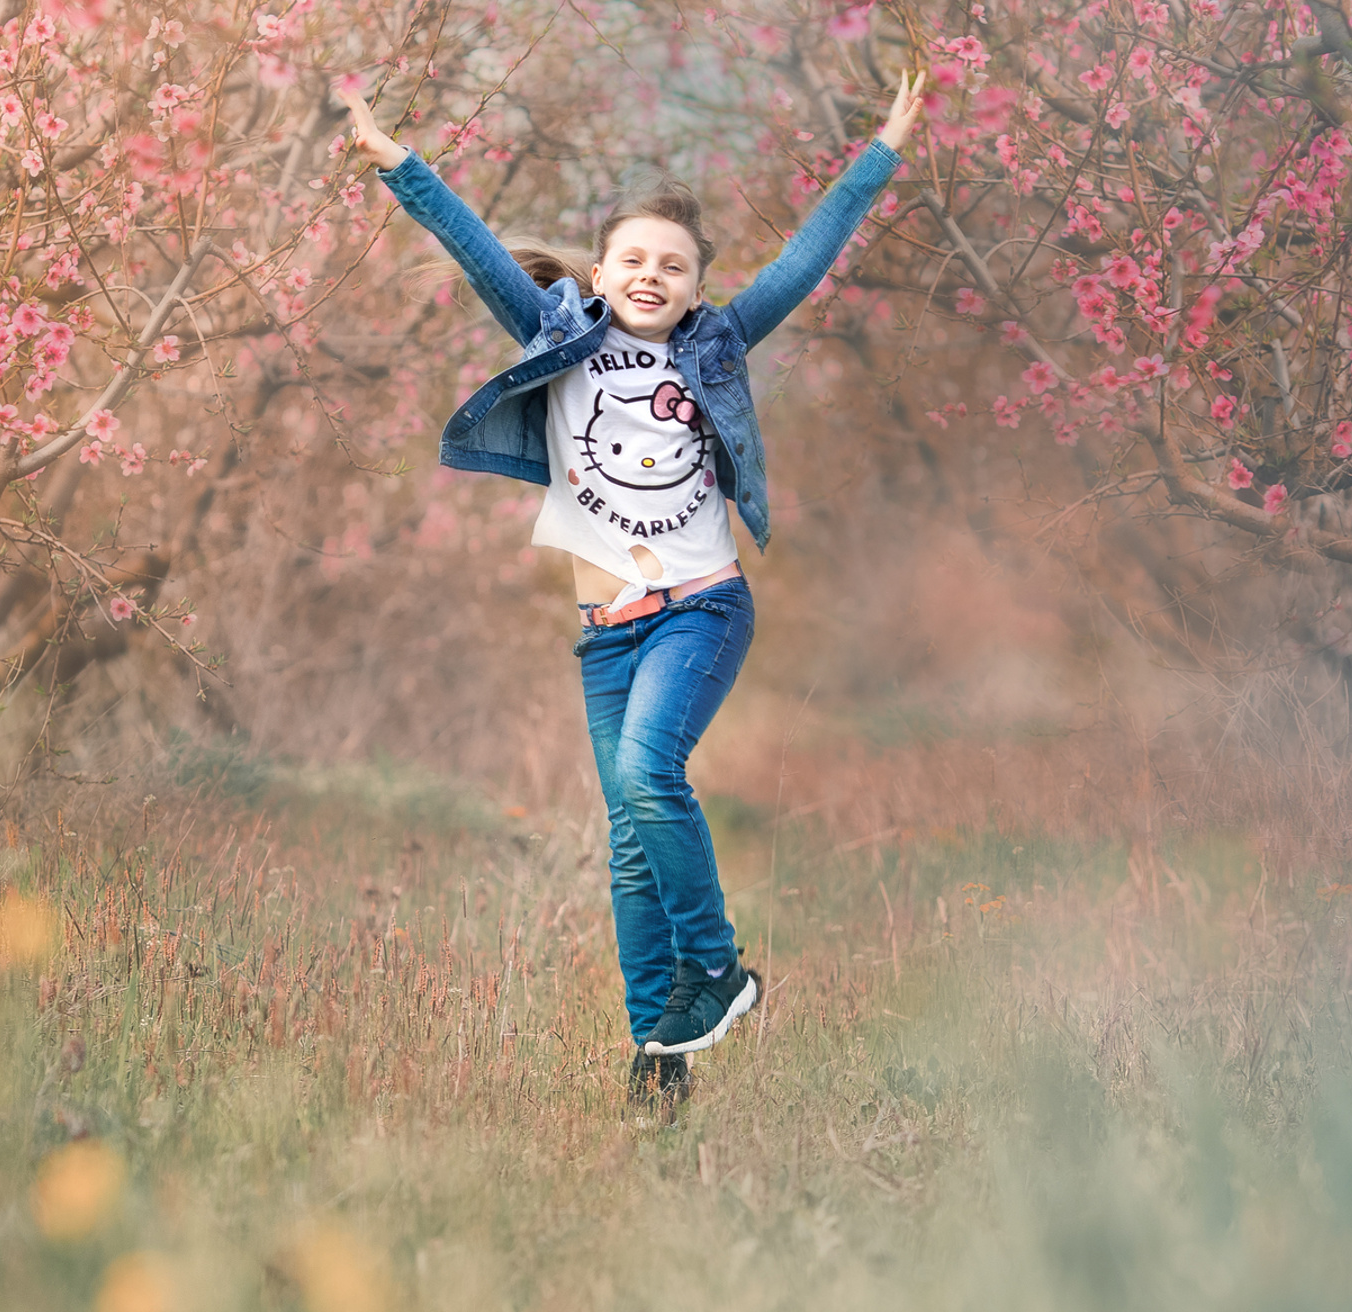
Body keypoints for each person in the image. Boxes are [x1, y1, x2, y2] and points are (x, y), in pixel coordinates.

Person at [340, 73, 928, 1107]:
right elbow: (475, 247)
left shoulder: (719, 346)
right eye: (634, 260)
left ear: (697, 289)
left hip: (703, 607)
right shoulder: (559, 338)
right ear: (600, 275)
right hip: (605, 633)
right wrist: (400, 166)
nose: (652, 275)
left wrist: (880, 152)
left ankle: (718, 968)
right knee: (625, 852)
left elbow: (806, 258)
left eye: (674, 266)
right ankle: (660, 1057)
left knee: (652, 772)